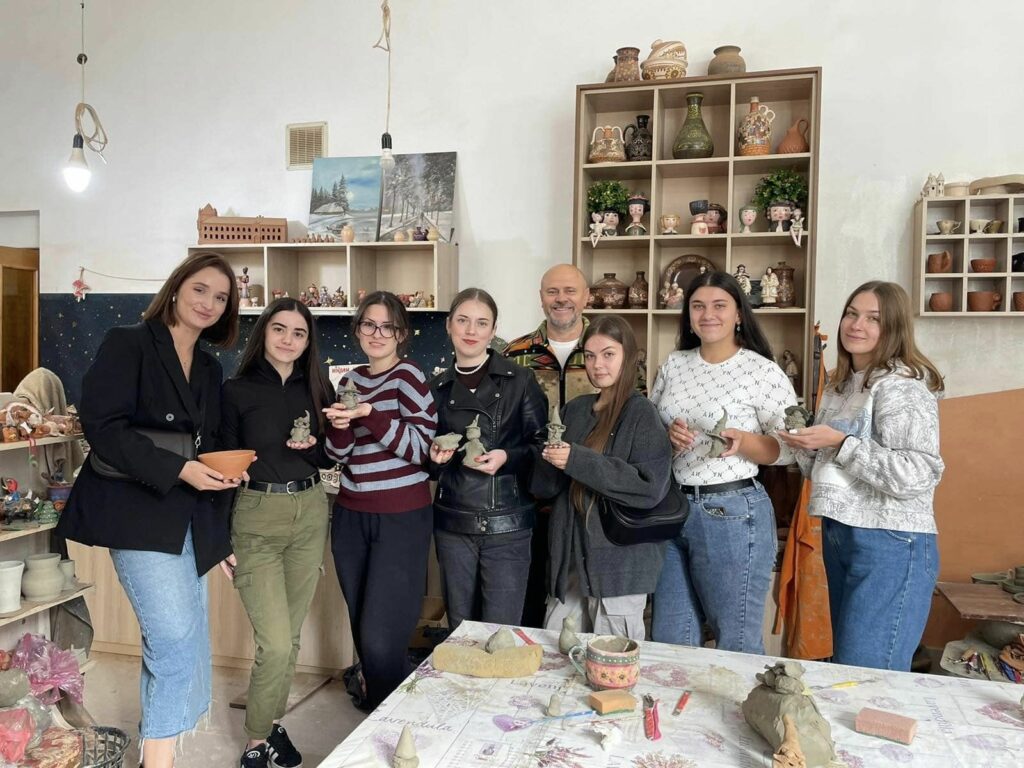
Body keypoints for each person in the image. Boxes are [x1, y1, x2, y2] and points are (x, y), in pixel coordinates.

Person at [56, 251, 241, 768]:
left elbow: (207, 446)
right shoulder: (129, 342)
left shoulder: (209, 367)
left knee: (184, 640)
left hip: (188, 517)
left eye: (221, 297)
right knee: (174, 638)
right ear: (177, 288)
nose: (208, 303)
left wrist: (225, 487)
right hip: (136, 513)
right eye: (200, 289)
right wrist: (179, 469)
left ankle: (157, 756)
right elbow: (103, 426)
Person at [778, 281, 944, 671]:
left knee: (867, 674)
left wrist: (841, 443)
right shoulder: (840, 385)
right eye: (852, 314)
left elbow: (918, 473)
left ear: (894, 328)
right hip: (842, 533)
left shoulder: (902, 386)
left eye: (874, 318)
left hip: (892, 540)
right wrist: (804, 446)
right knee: (849, 668)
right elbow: (826, 471)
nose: (857, 325)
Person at [650, 270, 796, 653]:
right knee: (670, 641)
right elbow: (648, 432)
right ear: (688, 315)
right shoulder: (674, 365)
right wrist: (668, 438)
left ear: (739, 314)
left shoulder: (762, 371)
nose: (708, 314)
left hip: (731, 513)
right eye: (698, 306)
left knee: (736, 641)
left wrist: (746, 442)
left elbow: (790, 449)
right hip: (671, 508)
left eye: (719, 305)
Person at [220, 298, 334, 768]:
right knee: (276, 641)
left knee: (290, 638)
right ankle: (256, 742)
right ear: (263, 332)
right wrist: (218, 540)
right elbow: (223, 467)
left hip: (310, 511)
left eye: (299, 333)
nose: (288, 339)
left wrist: (314, 448)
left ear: (308, 342)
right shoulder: (235, 390)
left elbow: (329, 457)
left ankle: (269, 726)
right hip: (256, 517)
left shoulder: (319, 388)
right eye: (280, 329)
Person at [323, 292, 437, 710]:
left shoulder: (410, 377)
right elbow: (339, 454)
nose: (377, 333)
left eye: (387, 326)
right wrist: (339, 426)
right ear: (357, 329)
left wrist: (369, 414)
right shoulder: (348, 381)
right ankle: (382, 709)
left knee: (381, 633)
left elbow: (421, 449)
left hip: (400, 517)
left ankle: (385, 721)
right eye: (368, 324)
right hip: (351, 515)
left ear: (401, 333)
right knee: (361, 623)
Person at [532, 315, 672, 639]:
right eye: (590, 355)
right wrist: (545, 456)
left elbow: (649, 487)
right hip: (569, 561)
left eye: (608, 354)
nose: (597, 365)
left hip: (619, 569)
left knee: (611, 660)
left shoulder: (641, 413)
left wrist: (575, 459)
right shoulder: (575, 409)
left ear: (628, 357)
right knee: (554, 649)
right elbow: (546, 487)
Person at [428, 288, 547, 630]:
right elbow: (426, 464)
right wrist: (435, 457)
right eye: (463, 320)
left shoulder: (520, 379)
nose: (471, 330)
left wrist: (507, 457)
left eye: (482, 323)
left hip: (508, 523)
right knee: (461, 631)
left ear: (493, 330)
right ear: (449, 325)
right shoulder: (435, 388)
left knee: (501, 632)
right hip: (453, 523)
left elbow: (543, 447)